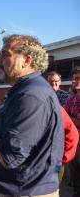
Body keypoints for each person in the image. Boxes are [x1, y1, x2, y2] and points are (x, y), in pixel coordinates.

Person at [0, 34, 64, 197]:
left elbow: (10, 157)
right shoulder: (24, 90)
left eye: (5, 55)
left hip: (26, 192)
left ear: (26, 60)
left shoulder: (30, 95)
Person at [64, 67, 80, 196]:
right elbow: (64, 117)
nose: (75, 81)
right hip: (73, 143)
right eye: (74, 78)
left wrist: (70, 118)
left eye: (78, 78)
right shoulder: (71, 99)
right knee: (75, 175)